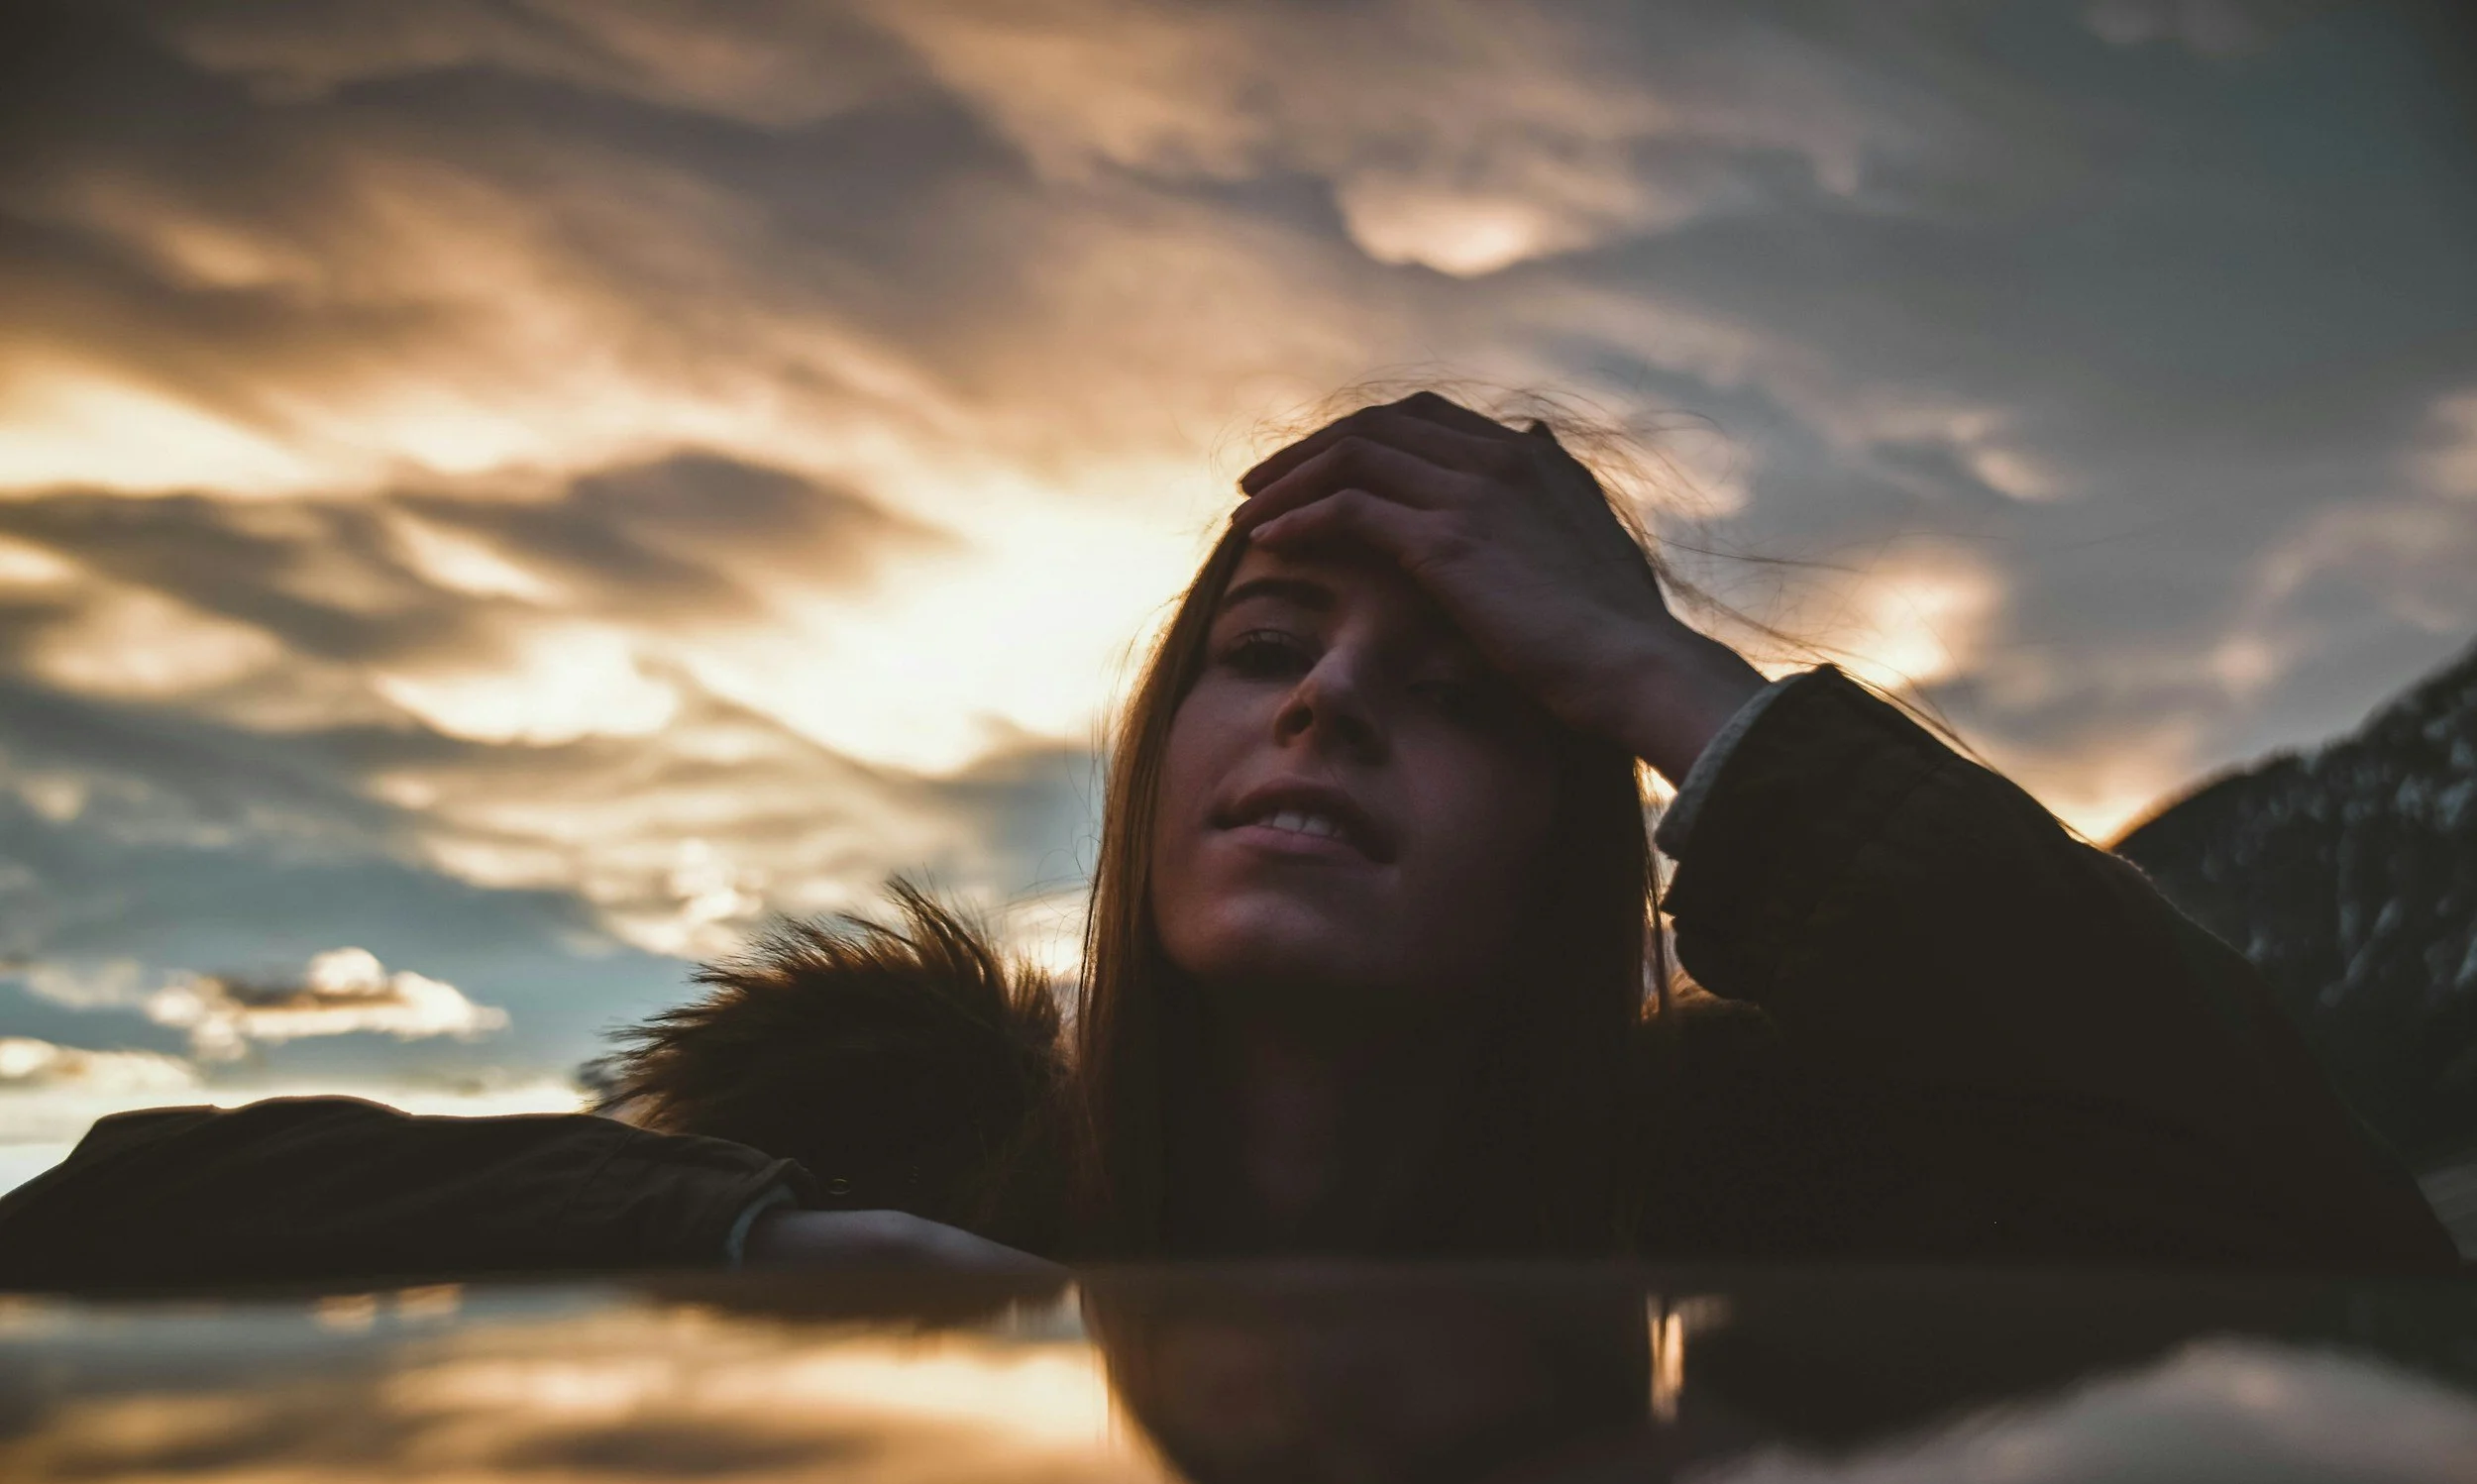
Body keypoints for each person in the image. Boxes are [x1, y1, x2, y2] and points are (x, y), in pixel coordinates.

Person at [0, 393, 2453, 1287]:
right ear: (1156, 752)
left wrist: (1685, 688)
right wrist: (757, 1232)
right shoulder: (867, 1151)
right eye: (1262, 641)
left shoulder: (1780, 1226)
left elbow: (2323, 1229)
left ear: (1581, 830)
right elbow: (112, 1206)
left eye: (1473, 684)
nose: (1326, 703)